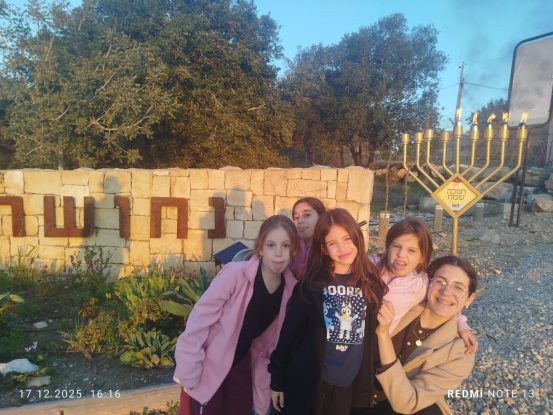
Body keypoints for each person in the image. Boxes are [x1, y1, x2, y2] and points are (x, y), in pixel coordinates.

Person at [173, 215, 300, 415]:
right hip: (208, 366)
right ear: (260, 249)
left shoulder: (289, 291)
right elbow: (199, 320)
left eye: (285, 246)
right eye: (271, 245)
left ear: (293, 251)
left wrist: (265, 385)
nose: (278, 253)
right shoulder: (235, 274)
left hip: (241, 369)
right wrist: (189, 368)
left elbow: (268, 347)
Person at [269, 208, 388, 415]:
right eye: (332, 243)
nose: (342, 248)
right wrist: (277, 379)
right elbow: (289, 334)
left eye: (347, 239)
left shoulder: (371, 285)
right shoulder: (310, 286)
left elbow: (370, 336)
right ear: (323, 248)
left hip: (350, 386)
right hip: (312, 383)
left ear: (357, 238)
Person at [352, 255, 478, 415]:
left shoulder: (461, 352)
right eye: (440, 281)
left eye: (458, 288)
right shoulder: (403, 303)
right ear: (428, 282)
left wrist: (383, 335)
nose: (446, 291)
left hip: (398, 407)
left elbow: (409, 403)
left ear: (469, 299)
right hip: (357, 393)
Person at [370, 217, 477, 351]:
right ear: (388, 247)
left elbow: (447, 299)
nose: (401, 254)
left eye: (411, 250)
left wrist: (462, 324)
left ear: (422, 257)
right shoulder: (370, 265)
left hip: (375, 347)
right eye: (396, 246)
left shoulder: (421, 285)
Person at [289, 197, 326, 279]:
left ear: (321, 217)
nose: (300, 221)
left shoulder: (330, 250)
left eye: (307, 215)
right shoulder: (288, 248)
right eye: (296, 217)